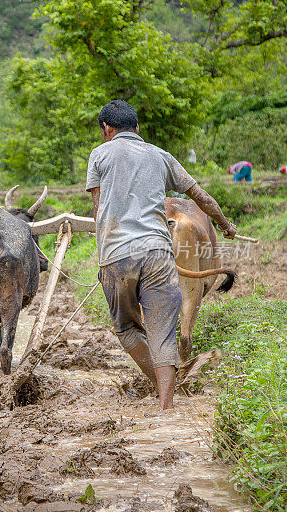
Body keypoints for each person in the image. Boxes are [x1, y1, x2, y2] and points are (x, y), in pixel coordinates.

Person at [86, 100, 237, 411]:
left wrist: (104, 256)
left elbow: (98, 210)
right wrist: (225, 225)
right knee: (163, 332)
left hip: (116, 254)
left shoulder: (99, 155)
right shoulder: (160, 155)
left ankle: (156, 384)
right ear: (138, 128)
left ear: (107, 130)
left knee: (128, 330)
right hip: (157, 253)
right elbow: (202, 197)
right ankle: (167, 407)